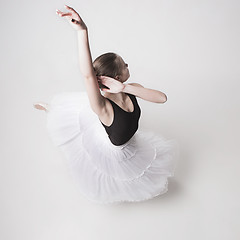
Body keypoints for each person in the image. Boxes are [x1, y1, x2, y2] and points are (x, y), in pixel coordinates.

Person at [33, 5, 179, 204]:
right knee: (76, 119)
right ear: (117, 75)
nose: (128, 66)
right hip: (112, 149)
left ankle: (56, 109)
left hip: (121, 112)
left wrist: (124, 88)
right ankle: (51, 109)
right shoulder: (103, 107)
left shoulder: (132, 88)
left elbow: (162, 98)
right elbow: (87, 75)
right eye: (125, 65)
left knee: (84, 111)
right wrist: (82, 31)